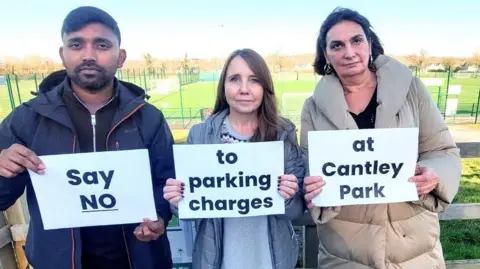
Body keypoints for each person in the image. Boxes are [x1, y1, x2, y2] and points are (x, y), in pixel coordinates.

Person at [0, 6, 175, 269]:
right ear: (63, 54)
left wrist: (159, 216)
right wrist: (3, 169)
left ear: (121, 56)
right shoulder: (27, 118)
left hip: (138, 260)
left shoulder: (149, 118)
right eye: (77, 44)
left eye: (102, 45)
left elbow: (166, 182)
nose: (89, 55)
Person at [300, 7, 462, 269]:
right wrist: (313, 190)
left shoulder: (411, 90)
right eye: (337, 45)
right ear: (326, 55)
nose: (349, 52)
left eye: (356, 40)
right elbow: (311, 167)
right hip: (345, 251)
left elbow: (443, 149)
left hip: (413, 248)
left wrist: (435, 175)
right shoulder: (313, 107)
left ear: (370, 43)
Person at [162, 48, 305, 269]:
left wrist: (288, 195)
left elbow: (295, 211)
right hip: (217, 262)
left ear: (265, 86)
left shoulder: (283, 134)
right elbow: (188, 211)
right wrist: (177, 199)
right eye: (235, 79)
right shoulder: (200, 135)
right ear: (224, 86)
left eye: (254, 80)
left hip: (272, 260)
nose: (244, 89)